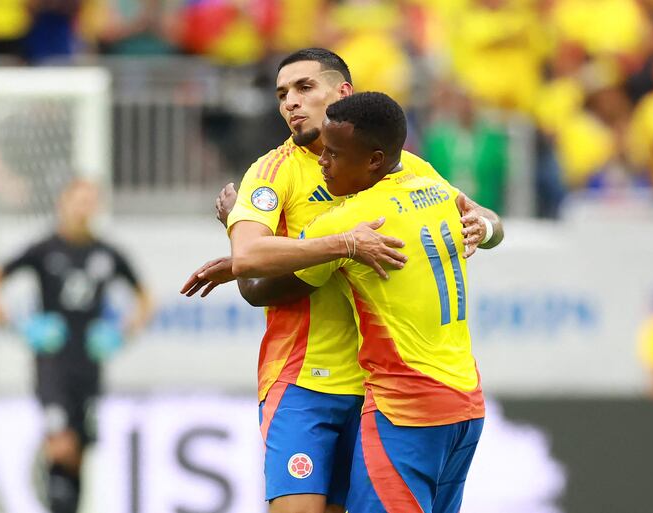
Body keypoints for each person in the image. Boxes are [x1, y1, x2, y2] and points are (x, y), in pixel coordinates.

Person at [180, 48, 502, 513]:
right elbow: (250, 271)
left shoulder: (400, 166)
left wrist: (485, 227)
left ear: (342, 92)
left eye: (304, 88)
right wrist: (343, 247)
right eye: (282, 94)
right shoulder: (271, 174)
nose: (291, 102)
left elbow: (477, 214)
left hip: (377, 390)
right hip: (304, 383)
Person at [0, 179, 153, 513]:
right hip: (52, 365)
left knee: (80, 453)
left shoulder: (107, 253)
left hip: (89, 366)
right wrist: (21, 327)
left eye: (90, 201)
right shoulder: (44, 249)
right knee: (61, 445)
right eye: (78, 200)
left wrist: (120, 333)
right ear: (63, 203)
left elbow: (147, 299)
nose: (84, 208)